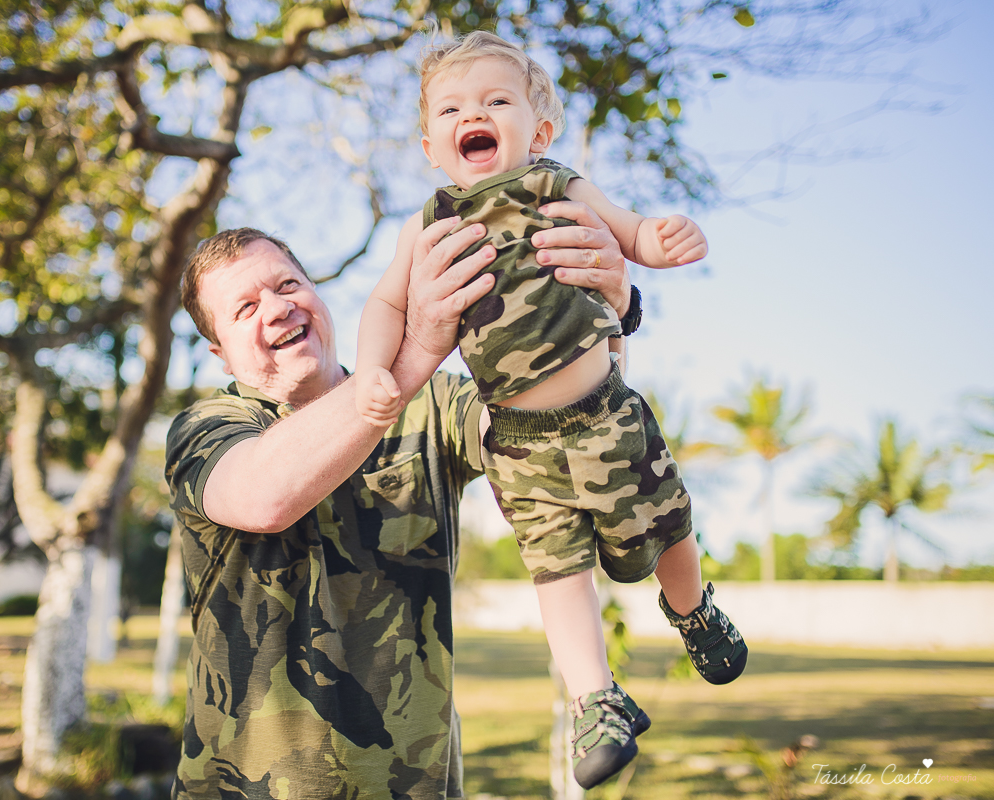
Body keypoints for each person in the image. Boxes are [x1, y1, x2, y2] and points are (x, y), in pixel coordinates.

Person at [353, 31, 747, 789]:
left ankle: (694, 611)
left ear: (538, 129)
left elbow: (629, 233)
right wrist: (373, 369)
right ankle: (596, 701)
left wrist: (661, 243)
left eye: (497, 100)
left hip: (605, 412)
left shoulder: (553, 185)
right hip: (516, 440)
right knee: (555, 569)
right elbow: (385, 302)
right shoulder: (427, 223)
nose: (476, 112)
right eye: (454, 107)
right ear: (432, 144)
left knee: (667, 523)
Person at [165, 215, 628, 799]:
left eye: (287, 286)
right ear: (221, 354)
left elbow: (558, 435)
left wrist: (605, 319)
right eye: (245, 308)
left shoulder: (433, 407)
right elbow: (265, 498)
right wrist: (415, 353)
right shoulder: (207, 429)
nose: (278, 309)